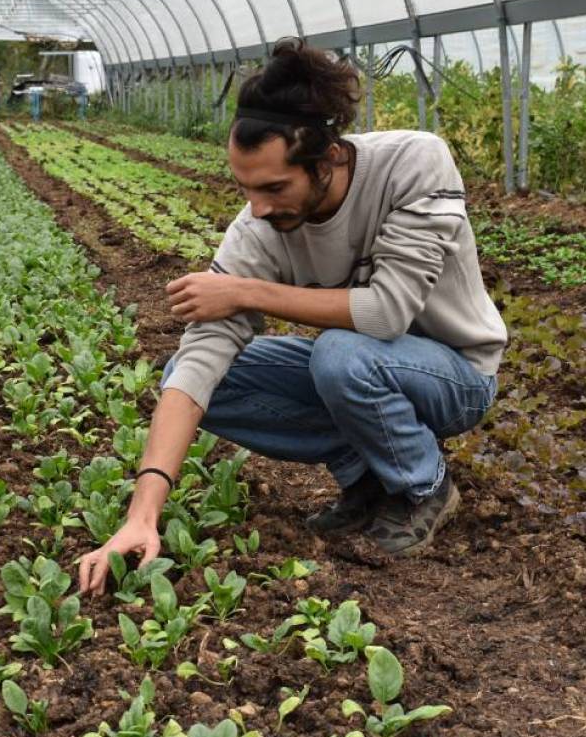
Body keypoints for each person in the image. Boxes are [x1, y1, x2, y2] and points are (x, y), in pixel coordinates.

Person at [77, 38, 507, 596]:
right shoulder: (259, 228)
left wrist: (245, 292)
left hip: (456, 374)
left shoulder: (413, 163)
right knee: (193, 375)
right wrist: (142, 512)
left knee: (341, 354)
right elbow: (200, 362)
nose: (258, 208)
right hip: (365, 369)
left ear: (326, 157)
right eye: (247, 188)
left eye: (274, 187)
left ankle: (426, 486)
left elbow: (387, 312)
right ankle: (365, 481)